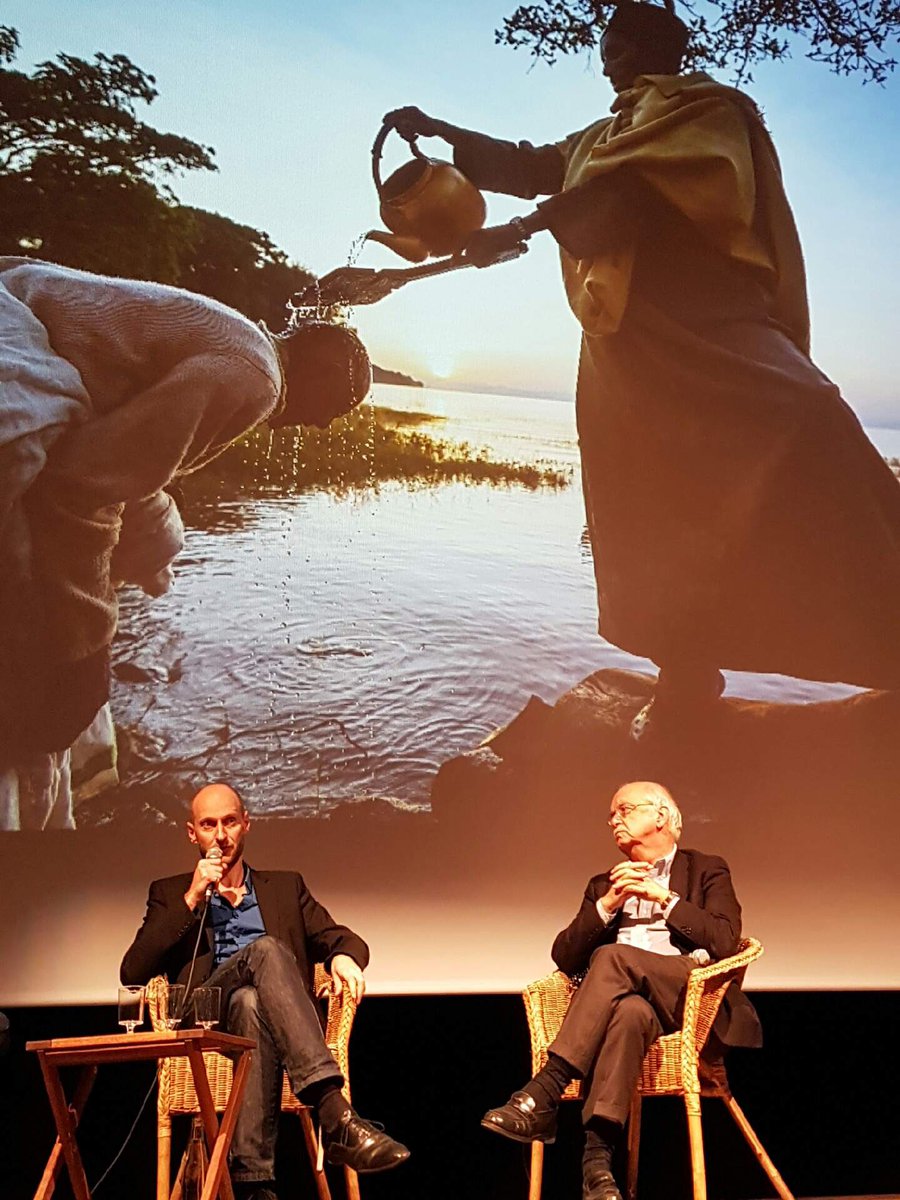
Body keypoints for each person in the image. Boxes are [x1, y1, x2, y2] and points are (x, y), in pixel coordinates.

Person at [385, 0, 900, 739]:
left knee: (811, 413)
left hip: (709, 318)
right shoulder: (602, 133)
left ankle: (887, 625)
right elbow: (535, 166)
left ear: (659, 45)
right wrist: (447, 136)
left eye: (619, 43)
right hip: (626, 340)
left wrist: (522, 229)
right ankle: (684, 674)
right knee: (648, 503)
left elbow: (631, 195)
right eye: (604, 44)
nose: (605, 58)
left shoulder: (711, 111)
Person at [0, 258, 371, 824]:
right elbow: (80, 486)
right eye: (337, 406)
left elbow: (119, 455)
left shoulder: (240, 337)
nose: (322, 427)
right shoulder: (259, 379)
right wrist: (87, 633)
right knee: (66, 693)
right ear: (317, 368)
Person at [121, 782, 409, 1200]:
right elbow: (132, 969)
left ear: (246, 824)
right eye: (208, 825)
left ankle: (255, 1185)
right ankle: (334, 1112)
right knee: (266, 951)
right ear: (192, 833)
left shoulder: (284, 887)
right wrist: (192, 896)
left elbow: (344, 938)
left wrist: (341, 957)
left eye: (229, 822)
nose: (220, 836)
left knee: (251, 1000)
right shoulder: (169, 893)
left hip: (259, 1020)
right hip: (204, 1015)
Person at [481, 780, 761, 1200]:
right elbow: (565, 957)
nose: (614, 820)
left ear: (661, 816)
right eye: (611, 815)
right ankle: (597, 1167)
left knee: (612, 956)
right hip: (631, 1004)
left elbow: (724, 940)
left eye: (625, 810)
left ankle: (546, 1088)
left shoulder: (705, 869)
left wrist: (664, 899)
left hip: (686, 993)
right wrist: (608, 904)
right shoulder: (602, 884)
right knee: (629, 1013)